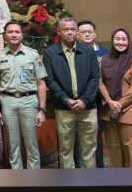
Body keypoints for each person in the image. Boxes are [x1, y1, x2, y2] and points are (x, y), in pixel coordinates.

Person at [43, 17, 100, 169]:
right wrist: (65, 99)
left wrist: (84, 100)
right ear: (58, 31)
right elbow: (49, 79)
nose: (69, 32)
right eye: (65, 29)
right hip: (64, 108)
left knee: (89, 149)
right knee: (65, 150)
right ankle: (68, 181)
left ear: (77, 31)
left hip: (88, 108)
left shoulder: (88, 51)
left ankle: (90, 180)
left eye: (72, 29)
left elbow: (95, 78)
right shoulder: (50, 52)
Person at [0, 21, 48, 169]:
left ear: (22, 35)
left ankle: (34, 179)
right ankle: (17, 178)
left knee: (32, 145)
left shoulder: (33, 55)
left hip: (29, 102)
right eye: (10, 32)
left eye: (17, 32)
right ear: (5, 36)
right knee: (13, 145)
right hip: (8, 103)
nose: (14, 35)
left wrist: (42, 110)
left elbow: (41, 84)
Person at [97, 29, 132, 168]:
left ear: (128, 41)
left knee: (131, 149)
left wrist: (118, 106)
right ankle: (117, 179)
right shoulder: (104, 60)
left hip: (130, 111)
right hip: (109, 112)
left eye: (124, 39)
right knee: (114, 148)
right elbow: (100, 82)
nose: (120, 42)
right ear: (112, 40)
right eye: (117, 39)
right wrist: (110, 102)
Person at [76, 20, 109, 168]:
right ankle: (80, 169)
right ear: (77, 34)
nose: (87, 34)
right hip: (80, 99)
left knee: (97, 134)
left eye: (90, 31)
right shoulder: (73, 52)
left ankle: (99, 167)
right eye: (83, 32)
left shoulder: (104, 52)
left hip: (99, 99)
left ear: (95, 34)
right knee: (79, 135)